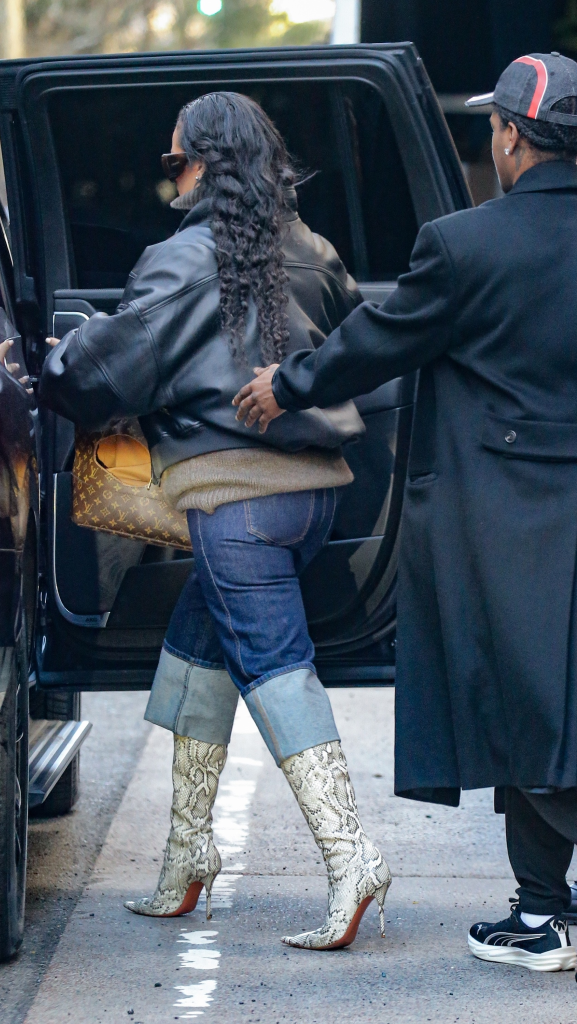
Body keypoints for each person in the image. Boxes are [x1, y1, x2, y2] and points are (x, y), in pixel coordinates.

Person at [233, 53, 577, 973]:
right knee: (554, 703)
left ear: (512, 137)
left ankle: (545, 913)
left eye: (492, 128)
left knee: (526, 706)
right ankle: (544, 911)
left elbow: (379, 341)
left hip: (503, 515)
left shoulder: (465, 244)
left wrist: (286, 383)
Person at [40, 92, 391, 950]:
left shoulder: (177, 261)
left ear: (204, 165)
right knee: (197, 651)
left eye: (175, 162)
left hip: (235, 505)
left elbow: (102, 373)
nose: (171, 179)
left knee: (275, 669)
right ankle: (187, 854)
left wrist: (59, 353)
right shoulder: (311, 249)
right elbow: (355, 350)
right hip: (312, 501)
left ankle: (352, 860)